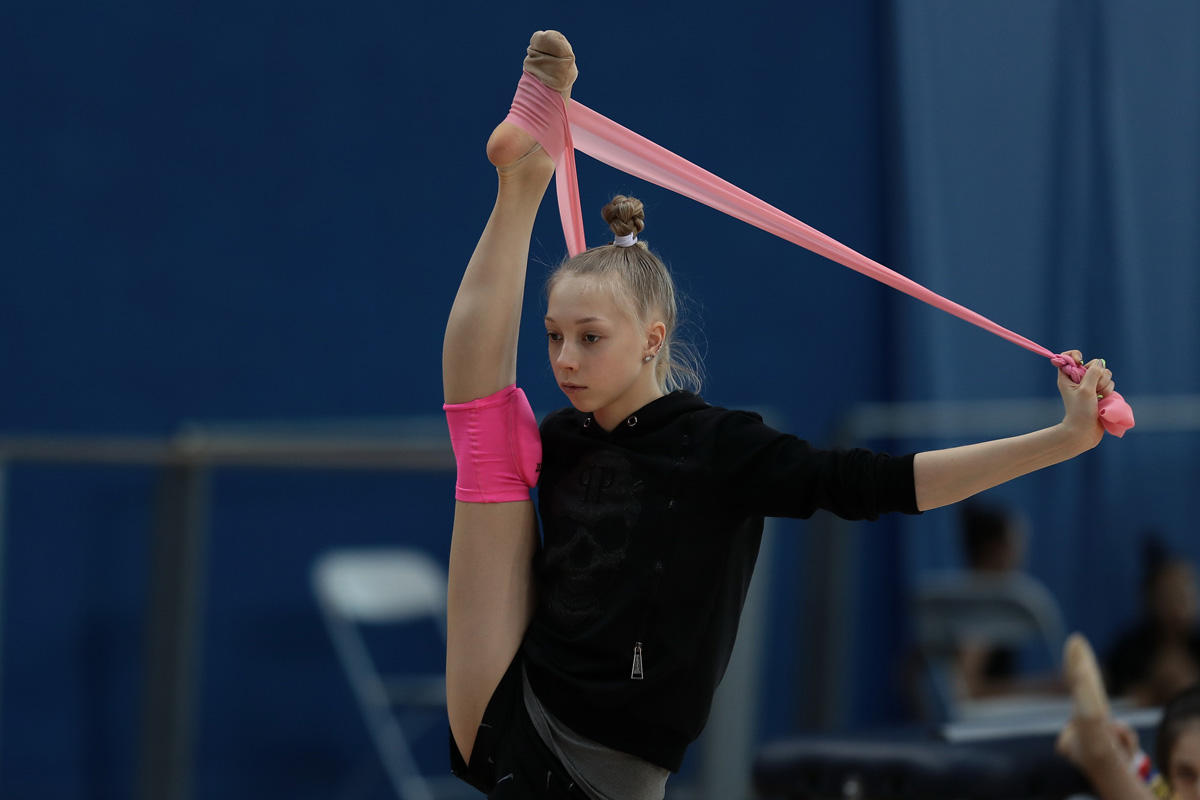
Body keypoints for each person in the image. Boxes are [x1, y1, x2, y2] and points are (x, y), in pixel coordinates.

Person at [443, 30, 1118, 799]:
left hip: (600, 766)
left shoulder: (720, 448)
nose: (564, 361)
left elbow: (889, 484)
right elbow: (479, 401)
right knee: (484, 436)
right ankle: (522, 181)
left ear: (650, 341)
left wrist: (1062, 439)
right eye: (555, 337)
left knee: (489, 439)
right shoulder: (561, 437)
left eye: (590, 340)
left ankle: (528, 173)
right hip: (516, 697)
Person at [1058, 633, 1200, 800]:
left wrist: (1103, 758)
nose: (1198, 792)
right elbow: (1155, 787)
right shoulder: (1166, 794)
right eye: (1186, 775)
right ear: (1167, 774)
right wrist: (1129, 758)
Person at [1107, 537, 1200, 707]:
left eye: (1187, 592)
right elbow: (1116, 693)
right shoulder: (1130, 650)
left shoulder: (1196, 645)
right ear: (1152, 598)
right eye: (1171, 594)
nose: (1181, 604)